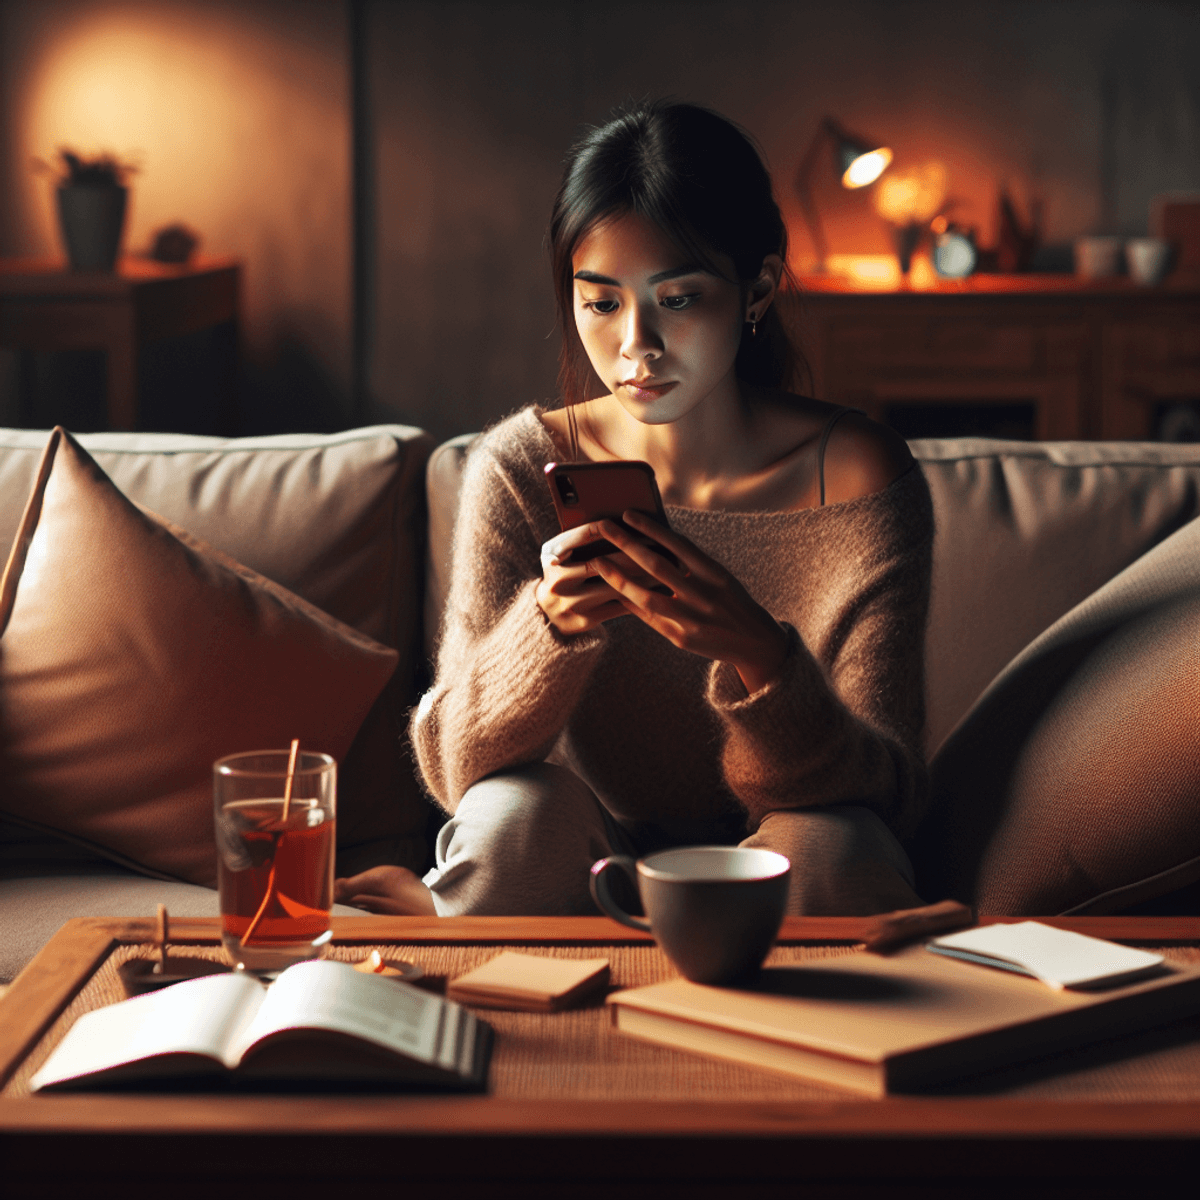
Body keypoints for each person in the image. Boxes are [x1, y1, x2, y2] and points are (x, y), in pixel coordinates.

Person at [335, 100, 933, 918]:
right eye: (601, 302)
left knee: (831, 849)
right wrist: (547, 626)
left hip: (784, 859)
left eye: (678, 300)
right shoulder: (520, 469)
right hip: (588, 863)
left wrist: (759, 655)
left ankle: (450, 910)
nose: (636, 346)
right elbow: (453, 769)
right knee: (510, 820)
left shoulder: (857, 476)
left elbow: (888, 793)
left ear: (757, 289)